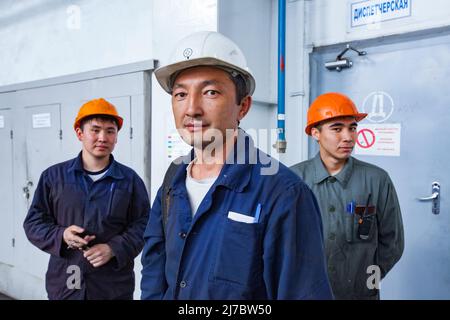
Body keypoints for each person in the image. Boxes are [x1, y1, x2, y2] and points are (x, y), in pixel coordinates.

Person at [140, 31, 332, 300]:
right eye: (180, 94)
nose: (192, 108)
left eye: (210, 92)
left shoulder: (283, 193)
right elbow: (154, 265)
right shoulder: (173, 181)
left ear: (243, 106)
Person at [23, 98, 150, 300]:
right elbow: (34, 223)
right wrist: (62, 235)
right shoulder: (54, 177)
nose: (103, 137)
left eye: (110, 131)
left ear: (117, 137)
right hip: (65, 285)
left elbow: (144, 225)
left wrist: (113, 248)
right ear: (79, 133)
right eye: (95, 130)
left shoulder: (130, 180)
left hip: (112, 288)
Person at [290, 92, 404, 300]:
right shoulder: (293, 180)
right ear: (315, 133)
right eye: (337, 129)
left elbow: (393, 243)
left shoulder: (377, 179)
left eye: (352, 128)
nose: (348, 137)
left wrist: (367, 282)